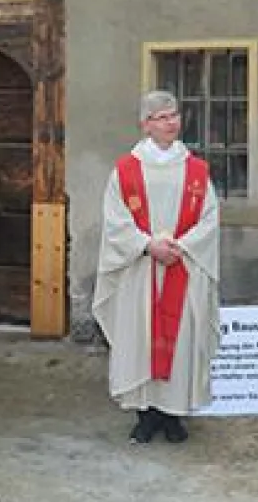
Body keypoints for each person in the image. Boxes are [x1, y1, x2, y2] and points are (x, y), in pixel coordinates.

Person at [91, 90, 220, 444]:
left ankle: (174, 415)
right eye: (161, 117)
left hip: (183, 264)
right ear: (145, 124)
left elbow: (209, 219)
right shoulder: (126, 170)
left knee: (182, 341)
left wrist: (181, 246)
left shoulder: (196, 170)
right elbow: (115, 220)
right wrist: (148, 245)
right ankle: (145, 415)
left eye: (174, 115)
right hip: (140, 269)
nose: (170, 122)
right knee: (140, 338)